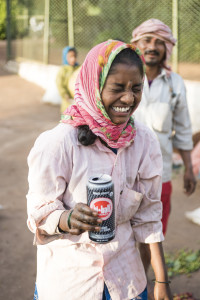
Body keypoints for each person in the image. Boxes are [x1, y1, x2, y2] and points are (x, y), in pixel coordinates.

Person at [27, 40, 172, 300]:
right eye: (117, 88)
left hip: (126, 282)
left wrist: (161, 280)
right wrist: (66, 219)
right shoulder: (58, 143)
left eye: (136, 89)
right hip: (70, 285)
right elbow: (38, 211)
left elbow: (149, 216)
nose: (128, 98)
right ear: (94, 86)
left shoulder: (144, 141)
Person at [130, 18, 196, 297]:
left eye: (159, 41)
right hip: (121, 172)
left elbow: (182, 129)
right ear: (136, 45)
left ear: (167, 48)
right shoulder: (123, 76)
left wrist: (190, 169)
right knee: (118, 233)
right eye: (147, 40)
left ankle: (140, 283)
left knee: (151, 236)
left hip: (161, 176)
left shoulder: (174, 83)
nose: (153, 47)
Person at [56, 46, 80, 113]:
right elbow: (59, 84)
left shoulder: (78, 68)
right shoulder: (63, 70)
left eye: (74, 56)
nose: (73, 59)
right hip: (67, 102)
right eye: (70, 57)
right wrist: (64, 94)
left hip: (77, 100)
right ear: (65, 57)